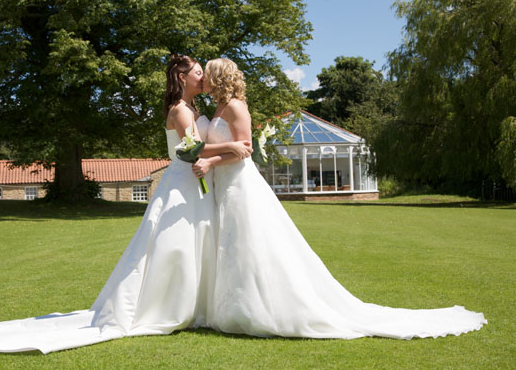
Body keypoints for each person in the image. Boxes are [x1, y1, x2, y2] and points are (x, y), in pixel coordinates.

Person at [0, 54, 251, 354]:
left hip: (194, 182)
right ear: (182, 78)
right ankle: (168, 306)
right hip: (182, 184)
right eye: (198, 73)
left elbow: (198, 150)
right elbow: (193, 149)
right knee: (174, 245)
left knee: (193, 242)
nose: (203, 78)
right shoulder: (181, 110)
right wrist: (230, 146)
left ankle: (195, 304)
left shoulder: (193, 108)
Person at [192, 57, 487, 339]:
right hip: (222, 186)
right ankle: (231, 308)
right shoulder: (218, 109)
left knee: (247, 243)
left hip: (240, 184)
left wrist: (210, 163)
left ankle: (256, 310)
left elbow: (244, 151)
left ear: (219, 78)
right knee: (230, 244)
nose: (203, 79)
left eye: (207, 74)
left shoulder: (236, 107)